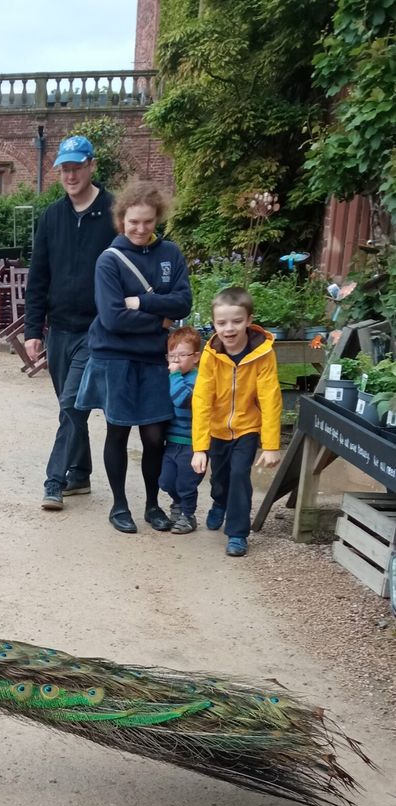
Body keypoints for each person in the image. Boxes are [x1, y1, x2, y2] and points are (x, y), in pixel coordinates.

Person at [76, 179, 192, 535]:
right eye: (133, 222)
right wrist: (161, 318)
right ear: (121, 220)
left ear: (158, 218)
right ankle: (119, 505)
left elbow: (184, 303)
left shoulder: (171, 254)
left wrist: (142, 302)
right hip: (116, 358)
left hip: (155, 360)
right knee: (119, 431)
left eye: (148, 221)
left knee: (155, 436)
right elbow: (112, 318)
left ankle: (153, 505)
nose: (141, 229)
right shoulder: (108, 261)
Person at [23, 135, 116, 512]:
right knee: (70, 406)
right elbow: (38, 276)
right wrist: (33, 330)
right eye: (65, 168)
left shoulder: (114, 212)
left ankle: (54, 480)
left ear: (92, 165)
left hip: (98, 329)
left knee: (72, 405)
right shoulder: (52, 217)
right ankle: (80, 473)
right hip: (59, 328)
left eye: (77, 167)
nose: (71, 175)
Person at [191, 287, 282, 558]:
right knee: (220, 477)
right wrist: (199, 447)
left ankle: (238, 533)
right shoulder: (210, 355)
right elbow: (202, 399)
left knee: (240, 474)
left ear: (249, 320)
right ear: (214, 323)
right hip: (218, 428)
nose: (229, 329)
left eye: (236, 321)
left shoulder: (263, 355)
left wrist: (271, 445)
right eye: (221, 323)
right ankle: (219, 501)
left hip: (247, 427)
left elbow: (270, 399)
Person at [159, 325, 204, 534]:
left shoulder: (198, 380)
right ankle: (177, 503)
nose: (175, 360)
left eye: (182, 355)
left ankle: (188, 515)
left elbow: (182, 400)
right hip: (172, 441)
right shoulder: (170, 377)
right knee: (166, 481)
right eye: (171, 355)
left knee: (187, 483)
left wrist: (175, 376)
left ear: (195, 357)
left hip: (192, 443)